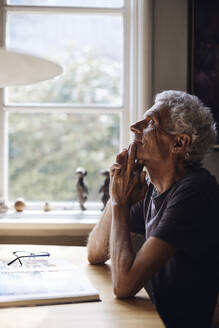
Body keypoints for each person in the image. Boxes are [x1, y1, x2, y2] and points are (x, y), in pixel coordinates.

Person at [87, 90, 219, 328]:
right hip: (154, 319)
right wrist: (118, 193)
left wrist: (119, 204)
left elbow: (124, 285)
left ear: (179, 143)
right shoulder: (150, 187)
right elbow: (96, 253)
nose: (135, 127)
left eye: (150, 123)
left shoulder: (196, 191)